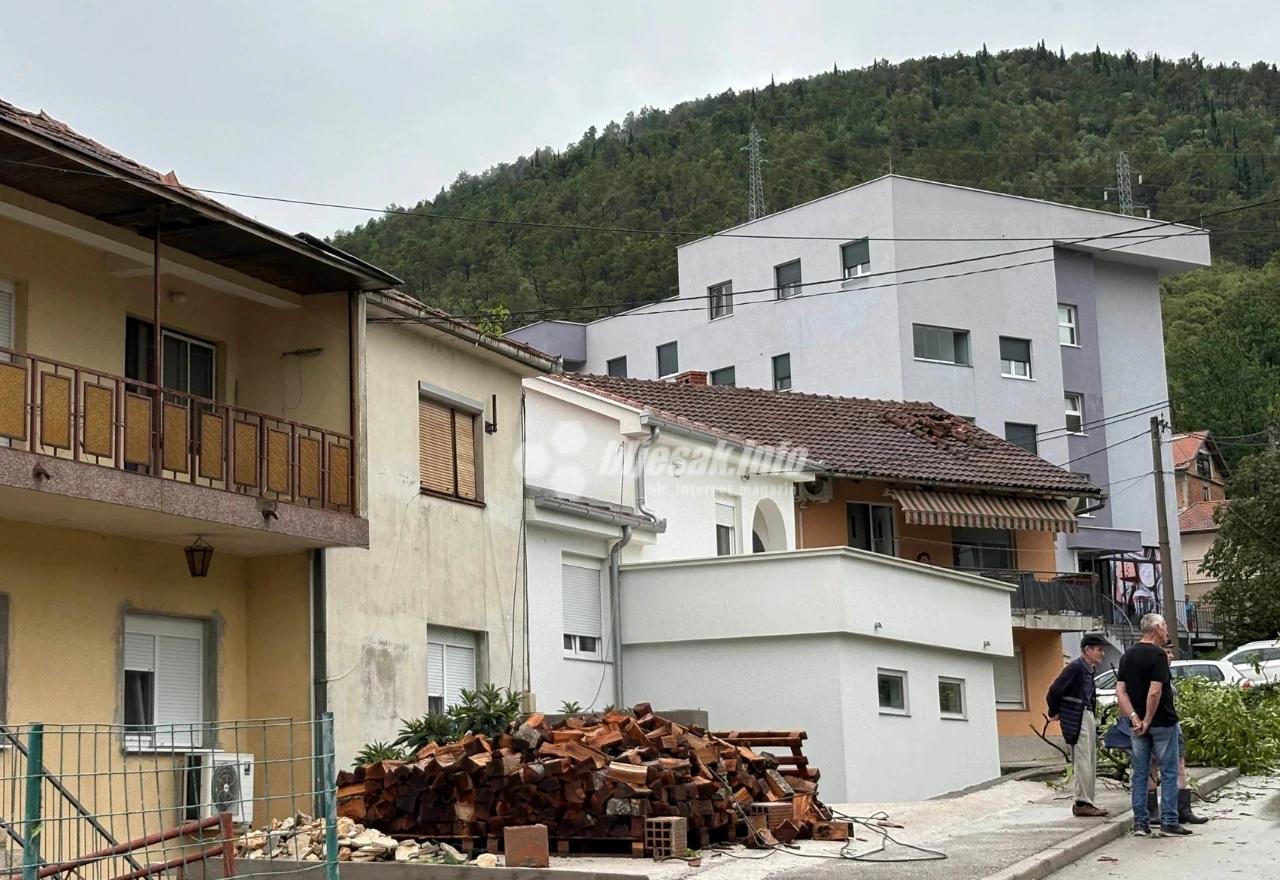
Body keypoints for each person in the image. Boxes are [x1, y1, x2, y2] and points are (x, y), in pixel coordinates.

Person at [1116, 613, 1192, 836]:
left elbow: (1120, 690)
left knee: (1140, 773)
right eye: (1165, 626)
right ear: (1157, 628)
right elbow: (1155, 691)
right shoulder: (1158, 655)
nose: (1167, 630)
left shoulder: (1127, 655)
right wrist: (1147, 720)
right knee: (1168, 772)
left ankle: (1141, 823)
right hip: (1161, 722)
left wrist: (1134, 718)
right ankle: (1169, 820)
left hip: (1136, 726)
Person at [1046, 633, 1110, 817]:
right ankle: (1082, 802)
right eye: (1099, 650)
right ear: (1087, 650)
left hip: (1086, 714)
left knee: (1089, 760)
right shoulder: (1075, 668)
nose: (1102, 654)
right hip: (1077, 716)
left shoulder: (1087, 669)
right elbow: (1054, 691)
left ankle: (1088, 801)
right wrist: (1054, 712)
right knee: (1082, 760)